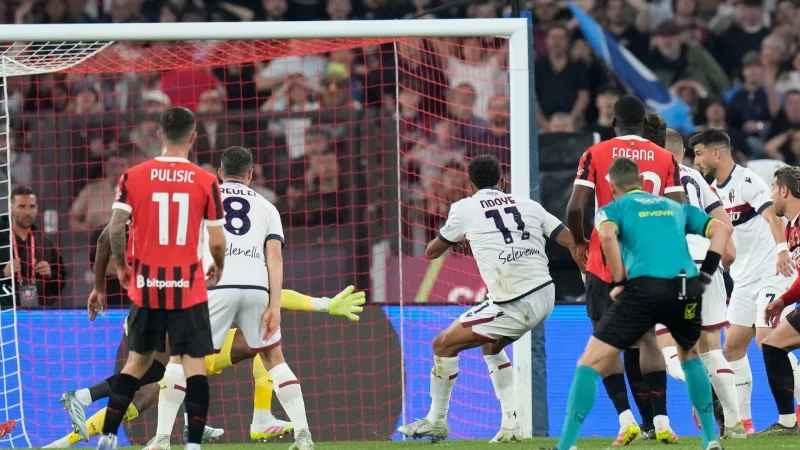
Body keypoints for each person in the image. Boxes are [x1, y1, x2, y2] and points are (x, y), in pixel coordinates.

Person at [53, 225, 365, 449]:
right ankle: (69, 433)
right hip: (174, 332)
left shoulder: (184, 248)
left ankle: (256, 419)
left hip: (190, 334)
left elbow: (273, 294)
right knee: (152, 386)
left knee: (260, 341)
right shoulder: (190, 250)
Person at [551, 157, 732, 450]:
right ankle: (711, 439)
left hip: (643, 290)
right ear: (641, 182)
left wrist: (620, 280)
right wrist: (707, 274)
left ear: (612, 185)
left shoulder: (612, 209)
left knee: (589, 362)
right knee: (690, 358)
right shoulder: (676, 208)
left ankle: (567, 444)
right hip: (684, 287)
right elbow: (723, 231)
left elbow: (607, 236)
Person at [397, 155, 581, 443]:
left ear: (470, 186)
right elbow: (570, 240)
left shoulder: (464, 208)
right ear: (503, 181)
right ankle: (511, 423)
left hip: (514, 302)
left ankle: (436, 420)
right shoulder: (528, 205)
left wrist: (458, 236)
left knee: (442, 344)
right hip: (546, 294)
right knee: (491, 346)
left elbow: (431, 252)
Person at [146, 146, 314, 450]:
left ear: (219, 173)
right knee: (274, 358)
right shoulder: (267, 207)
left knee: (180, 359)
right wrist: (274, 304)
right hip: (257, 286)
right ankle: (303, 435)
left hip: (215, 283)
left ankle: (160, 440)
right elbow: (274, 258)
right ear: (250, 175)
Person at [90, 107, 226, 450]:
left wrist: (121, 267)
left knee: (136, 364)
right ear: (194, 138)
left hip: (147, 285)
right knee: (195, 367)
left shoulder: (133, 176)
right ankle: (193, 444)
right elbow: (217, 240)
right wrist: (218, 264)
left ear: (159, 135)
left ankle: (107, 437)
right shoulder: (207, 180)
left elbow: (116, 229)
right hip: (188, 289)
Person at [566, 96, 685, 444]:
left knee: (604, 340)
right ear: (642, 122)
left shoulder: (596, 153)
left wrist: (578, 243)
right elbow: (680, 209)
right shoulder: (664, 157)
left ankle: (626, 419)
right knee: (647, 336)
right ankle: (661, 422)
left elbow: (575, 208)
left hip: (605, 256)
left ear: (614, 120)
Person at [642, 117, 744, 437]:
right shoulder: (699, 180)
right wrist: (724, 261)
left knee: (669, 350)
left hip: (671, 267)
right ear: (683, 151)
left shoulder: (648, 176)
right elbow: (723, 226)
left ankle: (701, 383)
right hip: (708, 266)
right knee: (712, 348)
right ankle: (737, 423)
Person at [692, 128, 798, 435]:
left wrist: (781, 250)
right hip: (743, 280)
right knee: (733, 348)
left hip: (772, 273)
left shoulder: (747, 181)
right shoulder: (710, 189)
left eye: (699, 153)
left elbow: (773, 217)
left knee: (769, 341)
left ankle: (795, 414)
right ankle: (745, 422)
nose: (696, 160)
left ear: (717, 153)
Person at [757, 165, 800, 435]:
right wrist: (783, 301)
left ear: (784, 190)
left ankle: (787, 422)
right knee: (772, 345)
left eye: (773, 188)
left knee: (773, 345)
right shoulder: (791, 229)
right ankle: (787, 422)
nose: (772, 195)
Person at [0, 186, 66, 308]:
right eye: (21, 206)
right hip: (5, 315)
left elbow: (61, 282)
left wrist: (51, 274)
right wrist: (3, 273)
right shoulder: (2, 240)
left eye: (32, 207)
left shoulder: (45, 243)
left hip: (39, 313)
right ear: (11, 209)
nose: (27, 212)